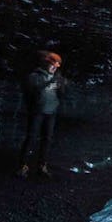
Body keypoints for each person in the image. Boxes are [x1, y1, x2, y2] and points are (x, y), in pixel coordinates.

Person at [17, 50, 66, 178]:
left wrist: (62, 86)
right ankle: (23, 166)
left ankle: (42, 166)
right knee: (31, 138)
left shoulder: (57, 78)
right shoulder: (35, 76)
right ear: (45, 64)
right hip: (37, 112)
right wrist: (51, 82)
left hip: (51, 112)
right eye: (52, 65)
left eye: (56, 66)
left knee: (47, 139)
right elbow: (33, 90)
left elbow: (60, 94)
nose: (54, 68)